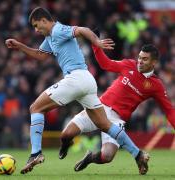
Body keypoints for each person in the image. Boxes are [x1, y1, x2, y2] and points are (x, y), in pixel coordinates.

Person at [5, 7, 141, 174]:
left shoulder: (57, 29)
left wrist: (96, 42)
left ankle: (35, 153)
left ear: (44, 20)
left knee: (35, 108)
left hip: (76, 78)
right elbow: (40, 55)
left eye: (36, 25)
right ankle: (138, 154)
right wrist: (19, 46)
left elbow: (82, 30)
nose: (36, 30)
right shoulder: (49, 37)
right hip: (87, 81)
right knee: (105, 124)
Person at [59, 43, 175, 175]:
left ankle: (90, 158)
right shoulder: (129, 64)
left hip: (116, 119)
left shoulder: (156, 85)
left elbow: (169, 110)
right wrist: (95, 46)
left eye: (145, 59)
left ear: (154, 62)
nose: (140, 62)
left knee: (107, 156)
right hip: (98, 109)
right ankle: (66, 144)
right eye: (140, 57)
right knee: (65, 135)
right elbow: (106, 64)